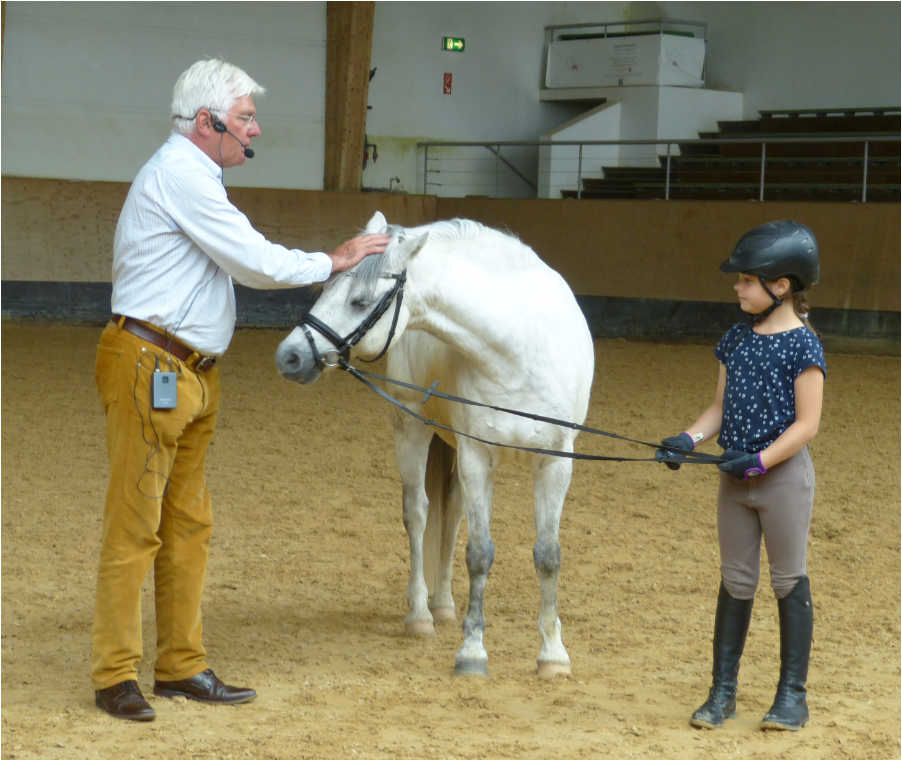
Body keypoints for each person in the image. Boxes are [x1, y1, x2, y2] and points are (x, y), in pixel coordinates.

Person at [92, 58, 391, 722]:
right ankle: (116, 672)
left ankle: (181, 664)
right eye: (247, 117)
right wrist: (333, 261)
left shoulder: (194, 175)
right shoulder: (181, 175)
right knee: (138, 524)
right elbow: (254, 260)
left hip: (186, 371)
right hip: (154, 367)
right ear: (208, 122)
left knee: (187, 524)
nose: (254, 129)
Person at [657, 220, 825, 732]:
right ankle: (722, 693)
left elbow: (807, 424)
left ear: (782, 285)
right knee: (735, 582)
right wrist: (688, 439)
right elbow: (718, 409)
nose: (737, 286)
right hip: (735, 482)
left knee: (787, 580)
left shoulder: (803, 346)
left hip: (781, 481)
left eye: (746, 279)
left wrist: (760, 460)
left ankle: (791, 696)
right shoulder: (735, 339)